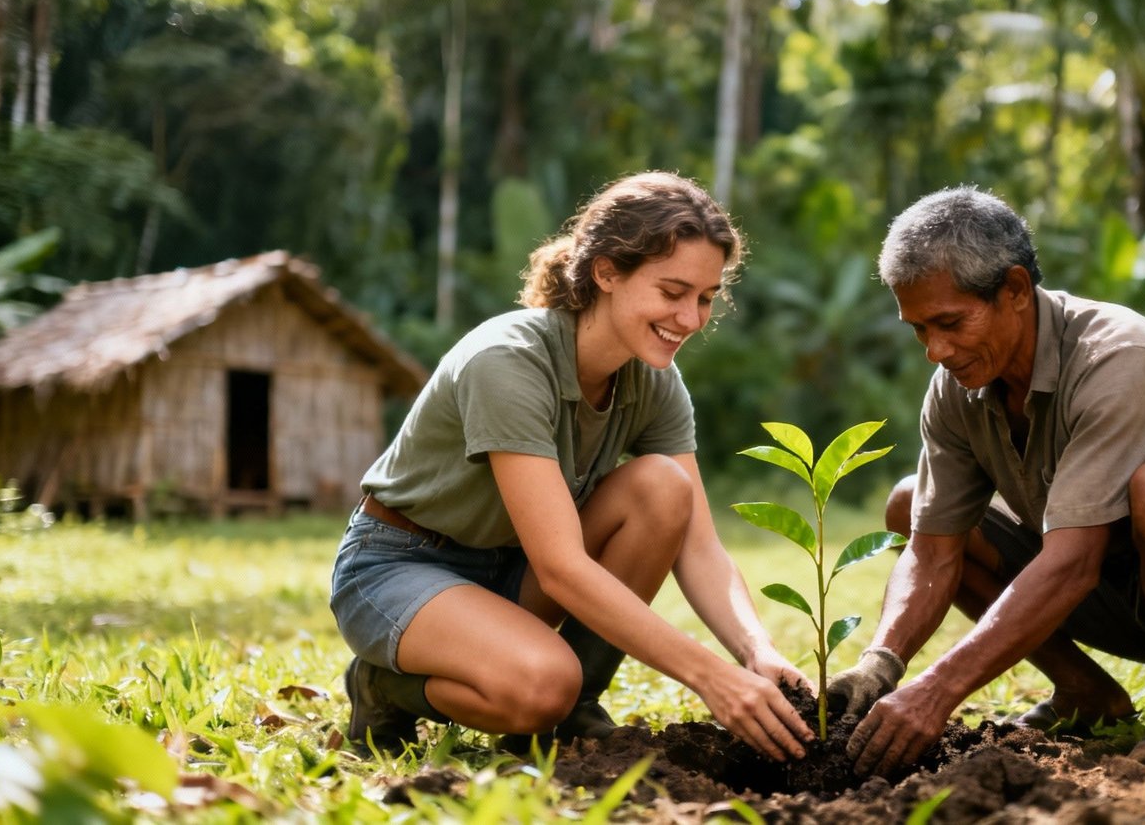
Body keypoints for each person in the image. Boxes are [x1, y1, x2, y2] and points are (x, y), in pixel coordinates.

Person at [826, 186, 1145, 775]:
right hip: (1108, 589)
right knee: (911, 505)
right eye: (919, 329)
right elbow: (932, 552)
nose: (935, 350)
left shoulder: (1120, 356)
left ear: (1015, 291)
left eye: (950, 323)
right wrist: (882, 665)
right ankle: (1087, 694)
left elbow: (1074, 560)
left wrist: (936, 692)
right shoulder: (958, 385)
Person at [330, 171, 813, 760]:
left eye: (706, 297)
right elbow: (561, 568)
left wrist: (754, 650)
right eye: (672, 291)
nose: (690, 318)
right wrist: (710, 676)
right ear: (607, 273)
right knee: (540, 686)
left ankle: (576, 706)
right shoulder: (508, 362)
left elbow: (700, 545)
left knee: (663, 489)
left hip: (511, 565)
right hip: (402, 563)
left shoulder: (651, 378)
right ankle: (383, 687)